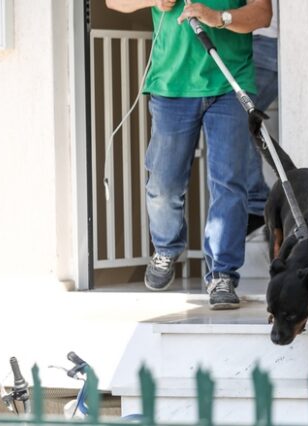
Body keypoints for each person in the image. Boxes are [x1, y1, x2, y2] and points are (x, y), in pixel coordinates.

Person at [105, 0, 272, 310]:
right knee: (164, 184)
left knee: (229, 184)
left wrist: (217, 17)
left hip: (229, 82)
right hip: (171, 87)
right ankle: (167, 247)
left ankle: (222, 273)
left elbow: (262, 14)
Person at [245, 0, 278, 236]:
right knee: (231, 116)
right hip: (249, 41)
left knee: (236, 114)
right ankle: (255, 203)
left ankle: (256, 202)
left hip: (267, 41)